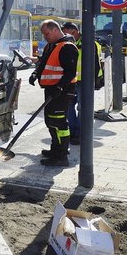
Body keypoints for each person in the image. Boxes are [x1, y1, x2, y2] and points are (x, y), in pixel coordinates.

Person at [28, 19, 78, 166]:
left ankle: (61, 156)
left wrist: (59, 87)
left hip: (62, 91)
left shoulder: (67, 47)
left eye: (46, 34)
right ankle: (56, 149)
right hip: (52, 89)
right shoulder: (51, 45)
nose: (45, 37)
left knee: (58, 122)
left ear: (55, 30)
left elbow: (70, 73)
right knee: (50, 121)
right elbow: (43, 63)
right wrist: (35, 74)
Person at [60, 22, 103, 146]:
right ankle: (72, 131)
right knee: (68, 106)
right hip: (71, 80)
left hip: (84, 81)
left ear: (74, 31)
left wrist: (93, 82)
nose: (63, 34)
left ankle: (79, 134)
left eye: (65, 32)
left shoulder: (89, 43)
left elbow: (96, 64)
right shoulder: (67, 43)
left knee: (81, 108)